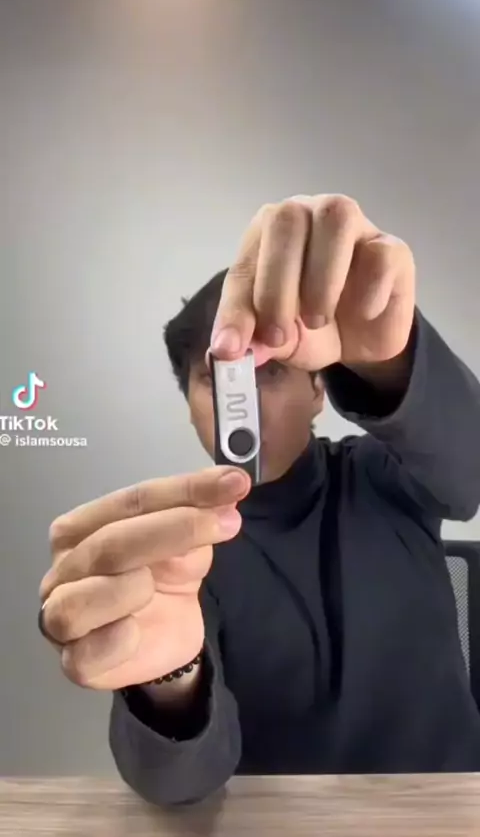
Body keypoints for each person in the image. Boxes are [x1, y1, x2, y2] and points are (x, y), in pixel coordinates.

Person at [38, 194, 480, 806]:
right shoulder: (180, 554)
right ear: (190, 403)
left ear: (319, 390)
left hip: (448, 807)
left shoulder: (386, 473)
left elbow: (467, 464)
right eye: (214, 379)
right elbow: (180, 784)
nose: (240, 404)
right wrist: (170, 681)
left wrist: (390, 360)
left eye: (269, 373)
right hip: (282, 820)